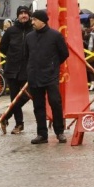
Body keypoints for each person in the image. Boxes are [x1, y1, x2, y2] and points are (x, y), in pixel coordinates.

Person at [24, 10, 69, 145]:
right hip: (34, 76)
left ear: (42, 21)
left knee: (55, 102)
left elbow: (64, 53)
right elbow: (27, 55)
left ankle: (59, 132)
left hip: (50, 75)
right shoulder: (29, 37)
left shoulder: (55, 35)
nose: (32, 22)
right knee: (38, 106)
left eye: (35, 20)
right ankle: (41, 134)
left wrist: (53, 65)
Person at [0, 6, 33, 135]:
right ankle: (19, 124)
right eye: (21, 13)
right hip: (12, 69)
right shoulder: (11, 31)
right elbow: (3, 47)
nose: (23, 15)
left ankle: (5, 116)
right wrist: (13, 55)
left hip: (28, 69)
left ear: (29, 15)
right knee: (14, 97)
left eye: (26, 13)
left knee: (27, 95)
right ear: (17, 16)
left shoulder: (33, 29)